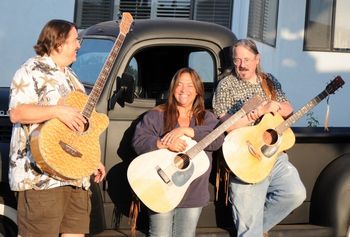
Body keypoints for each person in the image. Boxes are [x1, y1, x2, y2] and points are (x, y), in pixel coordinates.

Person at [8, 19, 106, 237]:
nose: (79, 46)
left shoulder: (72, 78)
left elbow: (75, 128)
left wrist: (90, 159)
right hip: (41, 178)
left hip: (74, 177)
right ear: (59, 43)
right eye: (75, 40)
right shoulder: (30, 71)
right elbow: (17, 113)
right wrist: (57, 111)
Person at [212, 39, 306, 237]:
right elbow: (227, 127)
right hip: (245, 158)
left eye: (246, 59)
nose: (242, 65)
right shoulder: (226, 85)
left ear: (257, 59)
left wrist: (275, 105)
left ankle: (255, 230)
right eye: (237, 60)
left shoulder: (268, 80)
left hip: (273, 156)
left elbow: (288, 109)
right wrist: (257, 112)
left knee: (295, 194)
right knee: (249, 229)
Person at [132, 67, 224, 237]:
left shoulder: (207, 118)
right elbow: (139, 141)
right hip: (161, 188)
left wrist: (187, 131)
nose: (184, 90)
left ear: (197, 90)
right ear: (173, 88)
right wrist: (162, 143)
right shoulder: (156, 115)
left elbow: (217, 140)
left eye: (190, 86)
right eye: (179, 85)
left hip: (193, 193)